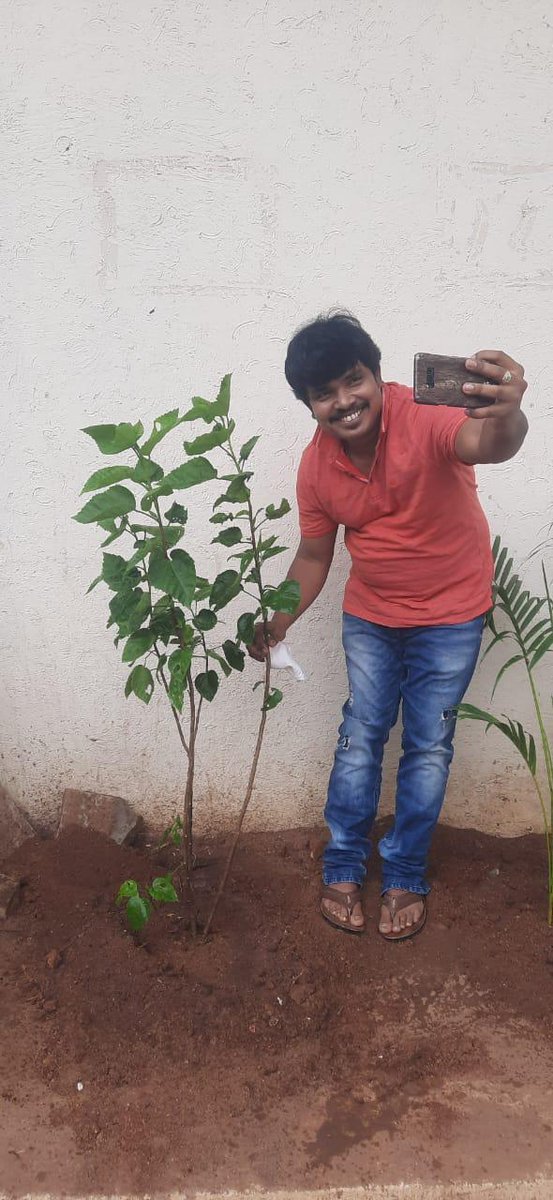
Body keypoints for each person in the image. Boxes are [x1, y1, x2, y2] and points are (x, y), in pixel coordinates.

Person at [248, 312, 528, 940]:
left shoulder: (424, 415)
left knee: (428, 743)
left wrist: (508, 410)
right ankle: (344, 860)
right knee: (361, 733)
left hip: (453, 616)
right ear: (310, 405)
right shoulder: (317, 466)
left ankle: (404, 872)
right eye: (326, 394)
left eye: (354, 381)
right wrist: (280, 617)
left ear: (377, 376)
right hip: (372, 617)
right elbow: (315, 555)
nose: (345, 402)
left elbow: (490, 445)